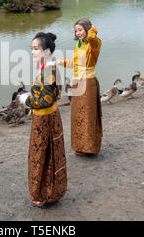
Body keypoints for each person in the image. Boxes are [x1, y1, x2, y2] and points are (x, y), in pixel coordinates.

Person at [19, 32, 67, 207]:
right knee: (48, 154)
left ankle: (45, 194)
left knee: (42, 155)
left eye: (36, 49)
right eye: (31, 49)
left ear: (46, 51)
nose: (32, 52)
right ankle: (50, 192)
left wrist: (26, 100)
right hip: (49, 117)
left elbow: (44, 100)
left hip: (45, 119)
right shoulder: (48, 68)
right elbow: (54, 94)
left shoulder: (48, 71)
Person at [57, 18, 103, 156]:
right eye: (76, 30)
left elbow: (92, 40)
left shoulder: (94, 42)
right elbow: (76, 63)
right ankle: (80, 146)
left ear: (88, 29)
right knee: (77, 115)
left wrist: (93, 31)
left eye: (81, 30)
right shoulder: (79, 44)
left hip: (88, 83)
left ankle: (90, 147)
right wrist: (60, 62)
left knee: (88, 115)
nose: (78, 33)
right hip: (77, 82)